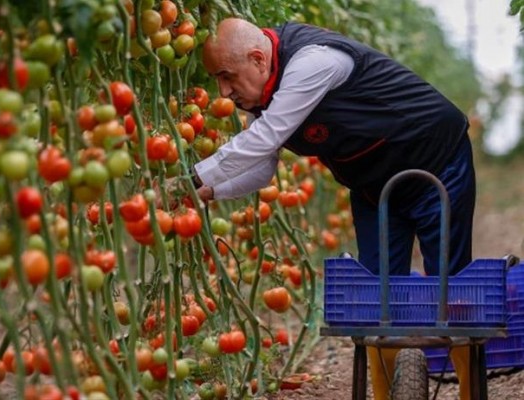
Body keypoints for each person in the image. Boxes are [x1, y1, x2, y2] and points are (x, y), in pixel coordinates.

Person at [190, 18, 476, 400]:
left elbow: (266, 137)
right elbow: (261, 166)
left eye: (226, 76)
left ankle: (472, 391)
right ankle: (384, 395)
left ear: (258, 59)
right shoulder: (263, 95)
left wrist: (190, 179)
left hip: (437, 164)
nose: (223, 91)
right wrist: (210, 189)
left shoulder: (313, 62)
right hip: (375, 188)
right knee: (377, 300)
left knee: (451, 288)